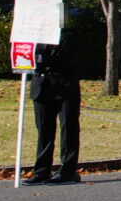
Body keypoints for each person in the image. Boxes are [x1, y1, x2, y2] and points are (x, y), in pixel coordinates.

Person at [20, 37, 83, 185]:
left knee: (68, 130)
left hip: (65, 88)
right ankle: (41, 171)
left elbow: (62, 58)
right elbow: (28, 55)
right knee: (44, 132)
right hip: (42, 88)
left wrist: (40, 58)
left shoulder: (68, 35)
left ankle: (68, 171)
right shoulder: (34, 36)